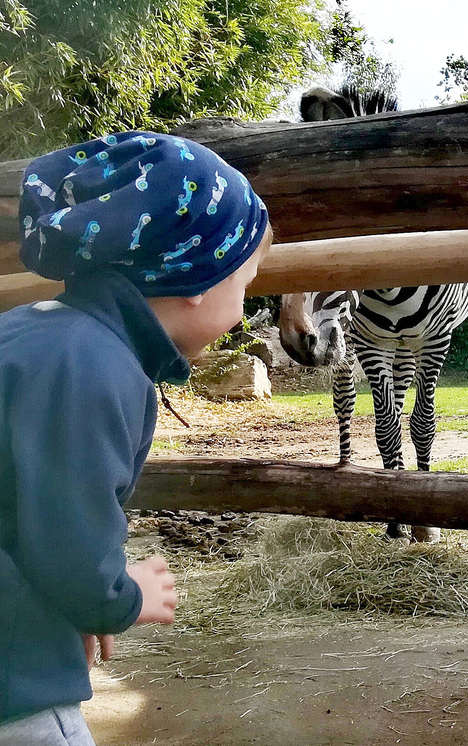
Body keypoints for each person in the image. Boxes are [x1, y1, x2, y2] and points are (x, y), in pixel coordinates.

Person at [0, 131, 272, 744]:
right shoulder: (94, 365)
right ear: (198, 274)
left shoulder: (32, 335)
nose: (244, 311)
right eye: (244, 285)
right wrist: (120, 597)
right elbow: (71, 539)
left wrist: (77, 598)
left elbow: (29, 511)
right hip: (15, 680)